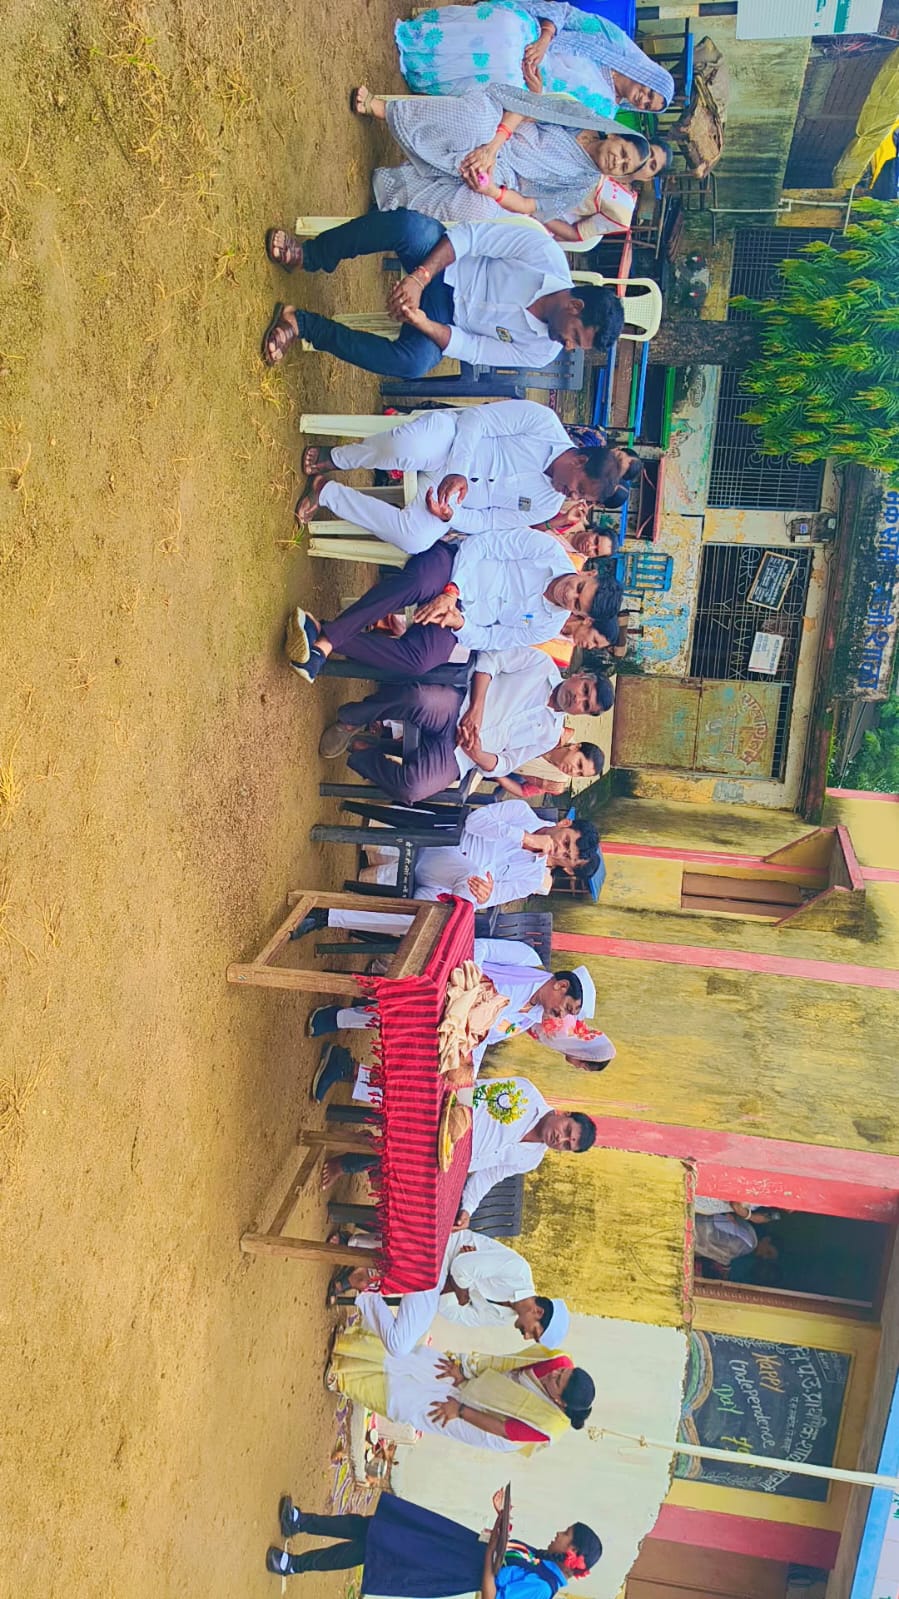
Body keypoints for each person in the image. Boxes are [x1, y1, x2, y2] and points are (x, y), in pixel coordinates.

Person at [261, 213, 624, 379]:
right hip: (443, 263)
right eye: (575, 336)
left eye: (576, 346)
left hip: (445, 320)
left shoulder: (543, 351)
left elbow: (475, 349)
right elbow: (471, 238)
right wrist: (419, 278)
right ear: (575, 305)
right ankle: (310, 255)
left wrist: (423, 323)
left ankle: (303, 324)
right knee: (409, 228)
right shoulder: (544, 255)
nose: (568, 346)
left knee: (413, 364)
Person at [283, 525, 612, 686]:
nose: (569, 595)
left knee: (420, 661)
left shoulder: (547, 625)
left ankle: (321, 633)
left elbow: (493, 639)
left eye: (577, 604)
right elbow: (483, 544)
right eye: (579, 587)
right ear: (588, 572)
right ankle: (326, 642)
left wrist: (459, 623)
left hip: (459, 618)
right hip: (452, 567)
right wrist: (453, 590)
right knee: (416, 583)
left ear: (581, 615)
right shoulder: (548, 551)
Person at [296, 398, 640, 548]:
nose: (572, 496)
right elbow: (477, 419)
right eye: (578, 487)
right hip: (449, 444)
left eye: (581, 497)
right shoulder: (543, 423)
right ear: (580, 461)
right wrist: (459, 470)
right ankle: (336, 457)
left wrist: (450, 515)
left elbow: (490, 521)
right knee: (407, 447)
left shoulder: (548, 506)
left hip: (447, 499)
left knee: (416, 539)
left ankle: (326, 492)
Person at [353, 84, 669, 238]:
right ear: (615, 135)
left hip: (505, 178)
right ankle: (381, 108)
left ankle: (391, 200)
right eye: (623, 153)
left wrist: (492, 190)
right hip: (500, 129)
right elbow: (524, 108)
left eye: (624, 167)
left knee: (478, 208)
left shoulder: (580, 186)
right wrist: (491, 148)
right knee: (474, 121)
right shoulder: (579, 117)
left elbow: (531, 206)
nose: (617, 162)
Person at [317, 651, 612, 805]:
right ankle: (351, 720)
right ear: (580, 676)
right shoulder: (541, 665)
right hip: (458, 707)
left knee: (413, 789)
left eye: (586, 705)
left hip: (461, 756)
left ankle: (363, 753)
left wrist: (478, 753)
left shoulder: (549, 735)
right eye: (585, 691)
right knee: (417, 698)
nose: (578, 699)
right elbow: (490, 659)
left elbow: (506, 763)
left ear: (584, 714)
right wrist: (476, 709)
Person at [307, 938, 595, 1064]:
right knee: (421, 1011)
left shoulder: (526, 1020)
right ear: (561, 986)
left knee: (428, 1035)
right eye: (567, 1008)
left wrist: (468, 1076)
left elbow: (482, 1040)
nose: (560, 1015)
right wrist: (469, 991)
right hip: (451, 977)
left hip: (451, 1021)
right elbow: (480, 946)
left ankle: (344, 1022)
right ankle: (338, 1017)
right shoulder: (527, 961)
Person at [266, 1487, 603, 1593]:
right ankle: (300, 1522)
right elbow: (504, 1555)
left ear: (572, 1552)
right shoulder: (542, 1560)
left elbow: (491, 1594)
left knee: (372, 1550)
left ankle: (294, 1564)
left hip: (449, 1564)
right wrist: (502, 1523)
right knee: (375, 1528)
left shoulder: (542, 1588)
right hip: (452, 1545)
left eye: (565, 1535)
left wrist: (491, 1552)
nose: (558, 1534)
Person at [324, 1323, 596, 1454]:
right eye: (563, 1373)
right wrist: (464, 1371)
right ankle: (349, 1345)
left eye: (557, 1381)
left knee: (413, 1406)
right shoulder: (558, 1361)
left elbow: (503, 1429)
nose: (555, 1373)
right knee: (425, 1363)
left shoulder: (547, 1426)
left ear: (560, 1402)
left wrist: (460, 1410)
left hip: (486, 1425)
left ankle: (343, 1378)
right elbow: (508, 1363)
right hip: (488, 1382)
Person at [291, 801, 600, 912]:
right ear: (564, 824)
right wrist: (523, 837)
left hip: (448, 885)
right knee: (469, 879)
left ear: (568, 869)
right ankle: (374, 871)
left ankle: (339, 909)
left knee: (447, 912)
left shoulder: (532, 878)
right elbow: (475, 821)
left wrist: (488, 893)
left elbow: (493, 897)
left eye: (566, 857)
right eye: (565, 842)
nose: (558, 850)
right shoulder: (522, 814)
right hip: (443, 843)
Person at [395, 1, 674, 118]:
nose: (643, 100)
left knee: (506, 73)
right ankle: (422, 36)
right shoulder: (613, 42)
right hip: (536, 38)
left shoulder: (604, 113)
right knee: (506, 28)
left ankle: (424, 73)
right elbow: (566, 13)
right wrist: (544, 40)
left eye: (648, 106)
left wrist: (537, 93)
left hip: (531, 89)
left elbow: (558, 119)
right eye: (650, 92)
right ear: (647, 75)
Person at [332, 1226, 571, 1355]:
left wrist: (458, 1287)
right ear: (538, 1312)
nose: (526, 1336)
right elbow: (460, 1267)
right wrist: (460, 1291)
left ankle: (367, 1290)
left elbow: (453, 1312)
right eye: (534, 1332)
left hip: (437, 1283)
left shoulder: (503, 1318)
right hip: (443, 1248)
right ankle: (357, 1255)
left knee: (399, 1345)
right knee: (423, 1259)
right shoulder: (518, 1271)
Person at [528, 1014, 616, 1070]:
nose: (577, 1067)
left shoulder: (574, 1025)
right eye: (583, 1067)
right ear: (584, 1055)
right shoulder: (559, 1035)